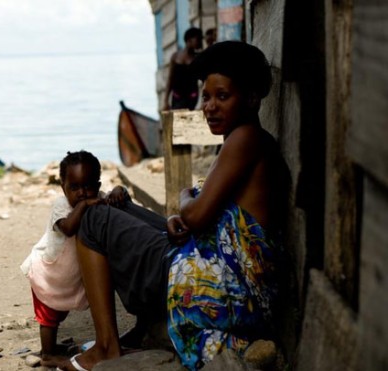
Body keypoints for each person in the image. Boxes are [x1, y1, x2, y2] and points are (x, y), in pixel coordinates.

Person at [58, 41, 287, 371]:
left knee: (93, 219)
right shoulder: (247, 139)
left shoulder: (245, 138)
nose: (209, 107)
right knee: (118, 208)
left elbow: (194, 215)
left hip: (221, 288)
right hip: (227, 277)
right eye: (206, 97)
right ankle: (143, 329)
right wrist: (185, 208)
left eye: (222, 97)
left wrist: (183, 198)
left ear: (251, 98)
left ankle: (106, 348)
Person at [20, 150, 136, 367]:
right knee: (49, 318)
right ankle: (47, 354)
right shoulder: (60, 207)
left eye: (89, 186)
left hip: (73, 276)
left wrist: (120, 191)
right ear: (63, 187)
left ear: (98, 185)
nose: (82, 193)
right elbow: (68, 228)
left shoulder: (98, 200)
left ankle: (102, 343)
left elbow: (114, 199)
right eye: (74, 188)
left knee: (68, 312)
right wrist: (83, 206)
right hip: (51, 274)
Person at [163, 27, 203, 111]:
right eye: (198, 39)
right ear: (189, 40)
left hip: (192, 97)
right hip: (177, 97)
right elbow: (170, 79)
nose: (200, 42)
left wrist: (202, 102)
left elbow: (204, 80)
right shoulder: (175, 57)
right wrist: (165, 101)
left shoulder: (198, 58)